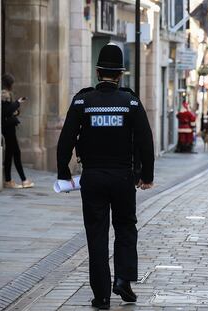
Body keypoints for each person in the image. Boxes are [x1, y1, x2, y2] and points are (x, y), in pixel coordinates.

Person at [57, 44, 154, 310]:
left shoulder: (82, 101)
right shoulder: (130, 102)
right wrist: (147, 175)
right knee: (125, 228)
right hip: (124, 178)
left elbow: (66, 139)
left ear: (98, 71)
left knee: (97, 235)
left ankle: (101, 296)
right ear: (120, 75)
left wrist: (63, 171)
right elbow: (146, 141)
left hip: (94, 178)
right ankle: (123, 279)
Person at [1, 74, 34, 189]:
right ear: (9, 84)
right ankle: (24, 180)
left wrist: (16, 109)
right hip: (8, 128)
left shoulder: (6, 94)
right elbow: (6, 111)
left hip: (9, 127)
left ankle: (8, 180)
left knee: (10, 155)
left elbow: (10, 111)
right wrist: (18, 102)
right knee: (16, 153)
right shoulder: (4, 94)